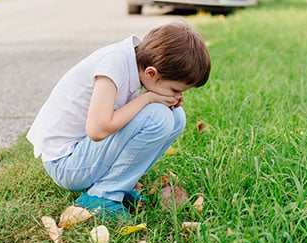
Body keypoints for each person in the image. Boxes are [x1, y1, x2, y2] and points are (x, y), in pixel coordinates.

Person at [26, 21, 211, 221]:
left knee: (176, 117)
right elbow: (97, 130)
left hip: (84, 155)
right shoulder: (113, 64)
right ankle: (102, 196)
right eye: (175, 90)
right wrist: (147, 98)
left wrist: (163, 99)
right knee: (159, 117)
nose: (177, 95)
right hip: (65, 164)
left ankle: (119, 184)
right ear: (151, 73)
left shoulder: (135, 61)